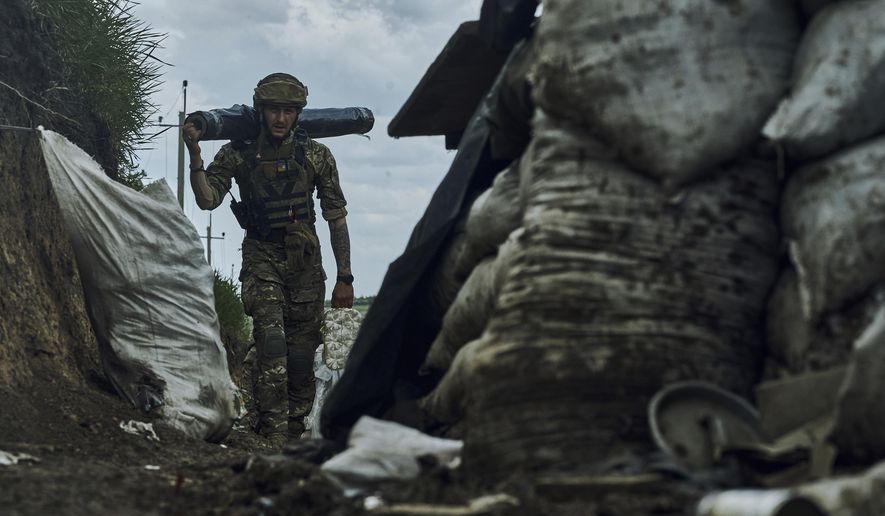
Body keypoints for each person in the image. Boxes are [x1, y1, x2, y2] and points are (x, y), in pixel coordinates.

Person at [182, 72, 354, 445]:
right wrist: (195, 156)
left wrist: (346, 277)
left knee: (302, 353)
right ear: (261, 111)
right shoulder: (238, 151)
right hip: (261, 254)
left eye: (288, 111)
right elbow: (208, 198)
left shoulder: (316, 154)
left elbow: (336, 217)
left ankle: (291, 430)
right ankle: (272, 433)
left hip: (306, 262)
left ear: (298, 114)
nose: (280, 118)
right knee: (272, 339)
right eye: (274, 110)